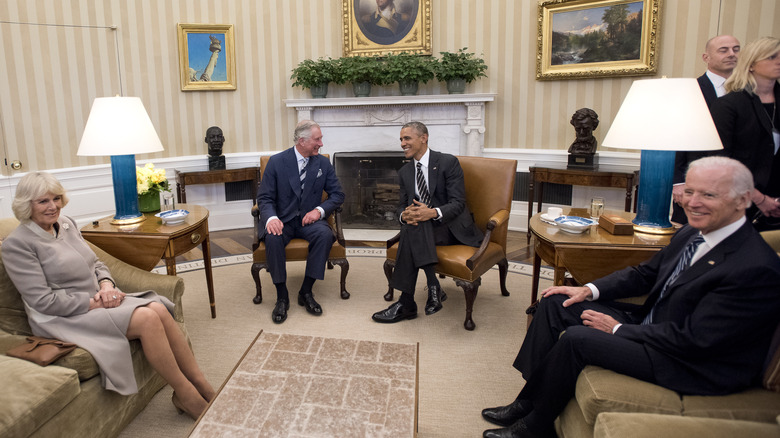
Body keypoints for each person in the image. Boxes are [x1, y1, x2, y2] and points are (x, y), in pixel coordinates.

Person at [480, 156, 780, 438]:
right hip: (657, 325)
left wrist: (617, 329)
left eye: (709, 195)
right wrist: (588, 289)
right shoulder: (692, 234)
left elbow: (696, 340)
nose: (693, 202)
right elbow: (644, 275)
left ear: (743, 200)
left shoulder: (754, 266)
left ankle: (536, 426)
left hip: (693, 363)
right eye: (689, 191)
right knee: (556, 302)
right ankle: (528, 401)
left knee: (577, 339)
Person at [1, 172, 215, 420]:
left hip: (98, 300)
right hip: (61, 317)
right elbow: (43, 302)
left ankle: (202, 385)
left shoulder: (66, 224)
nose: (53, 206)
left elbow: (96, 263)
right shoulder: (18, 244)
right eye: (43, 201)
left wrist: (105, 285)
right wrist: (94, 302)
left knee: (157, 307)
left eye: (56, 198)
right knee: (147, 318)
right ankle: (186, 395)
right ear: (26, 204)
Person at [372, 121, 483, 323]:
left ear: (423, 138)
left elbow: (458, 203)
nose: (402, 143)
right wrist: (403, 215)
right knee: (414, 221)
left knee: (416, 223)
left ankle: (408, 302)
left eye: (407, 138)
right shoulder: (405, 172)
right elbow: (400, 206)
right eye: (401, 140)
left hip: (451, 228)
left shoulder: (448, 162)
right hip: (425, 230)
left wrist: (431, 213)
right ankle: (431, 288)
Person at [257, 120, 344, 324]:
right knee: (273, 236)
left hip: (309, 220)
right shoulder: (277, 162)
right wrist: (271, 218)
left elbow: (338, 194)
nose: (321, 143)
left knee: (325, 235)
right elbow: (265, 198)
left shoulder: (322, 163)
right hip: (283, 220)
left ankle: (306, 291)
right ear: (302, 141)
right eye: (317, 139)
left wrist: (319, 210)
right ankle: (282, 296)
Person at [711, 36, 780, 230]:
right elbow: (721, 162)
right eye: (771, 57)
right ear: (751, 64)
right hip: (738, 203)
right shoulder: (729, 105)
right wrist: (759, 198)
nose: (779, 61)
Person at [672, 35, 741, 224]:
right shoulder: (691, 90)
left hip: (734, 183)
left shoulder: (747, 92)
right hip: (694, 179)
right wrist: (678, 181)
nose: (731, 54)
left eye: (736, 49)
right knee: (689, 240)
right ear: (706, 57)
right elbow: (678, 135)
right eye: (723, 50)